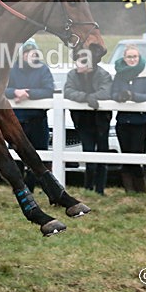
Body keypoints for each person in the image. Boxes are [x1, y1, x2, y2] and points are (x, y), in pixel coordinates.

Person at [5, 38, 55, 192]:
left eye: (33, 52)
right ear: (22, 54)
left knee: (38, 155)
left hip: (37, 120)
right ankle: (19, 190)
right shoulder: (12, 70)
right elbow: (3, 89)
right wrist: (15, 92)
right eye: (27, 52)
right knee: (15, 155)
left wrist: (29, 94)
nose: (31, 55)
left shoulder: (43, 69)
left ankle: (32, 188)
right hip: (16, 121)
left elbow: (49, 90)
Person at [63, 58, 113, 195]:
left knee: (102, 152)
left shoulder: (103, 74)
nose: (77, 64)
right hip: (83, 120)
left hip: (101, 120)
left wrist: (91, 97)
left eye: (81, 62)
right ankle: (88, 187)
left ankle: (100, 189)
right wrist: (86, 97)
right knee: (88, 151)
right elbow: (68, 91)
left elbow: (107, 92)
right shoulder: (72, 75)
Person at [111, 44, 146, 193]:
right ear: (125, 58)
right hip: (123, 121)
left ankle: (141, 190)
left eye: (134, 56)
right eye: (129, 57)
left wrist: (132, 96)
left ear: (139, 57)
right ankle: (128, 190)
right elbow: (113, 93)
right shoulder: (119, 74)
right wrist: (120, 96)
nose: (132, 59)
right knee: (125, 154)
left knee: (137, 154)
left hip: (140, 121)